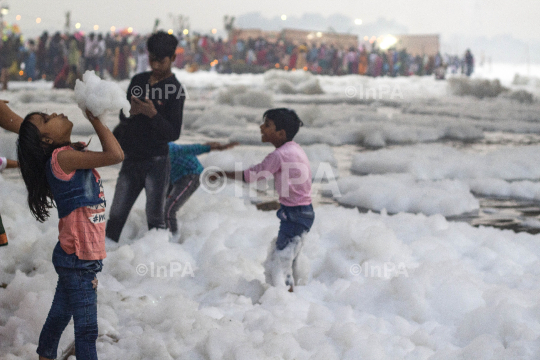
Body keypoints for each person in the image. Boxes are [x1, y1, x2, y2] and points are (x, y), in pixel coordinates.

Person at [16, 107, 123, 360]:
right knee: (86, 329)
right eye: (45, 119)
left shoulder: (68, 154)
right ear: (47, 140)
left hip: (75, 253)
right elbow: (116, 154)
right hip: (79, 257)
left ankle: (45, 356)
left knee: (59, 315)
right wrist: (95, 119)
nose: (53, 113)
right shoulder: (62, 159)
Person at [222, 108, 314, 292]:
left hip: (294, 214)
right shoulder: (294, 148)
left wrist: (223, 174)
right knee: (287, 258)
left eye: (267, 125)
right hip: (303, 211)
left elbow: (253, 175)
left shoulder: (279, 155)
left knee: (282, 260)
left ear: (281, 133)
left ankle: (286, 300)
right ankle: (290, 295)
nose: (261, 127)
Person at [106, 31, 184, 243]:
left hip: (156, 163)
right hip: (131, 158)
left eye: (161, 60)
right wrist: (130, 111)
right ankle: (103, 263)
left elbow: (173, 133)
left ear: (172, 58)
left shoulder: (175, 90)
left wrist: (153, 114)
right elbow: (123, 114)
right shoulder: (139, 80)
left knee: (155, 218)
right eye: (152, 59)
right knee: (116, 215)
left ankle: (158, 265)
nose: (156, 65)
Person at [166, 141, 238, 241]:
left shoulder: (167, 148)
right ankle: (159, 234)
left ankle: (173, 240)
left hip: (190, 174)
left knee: (169, 209)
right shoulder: (144, 151)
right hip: (174, 176)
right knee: (160, 206)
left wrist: (213, 147)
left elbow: (190, 149)